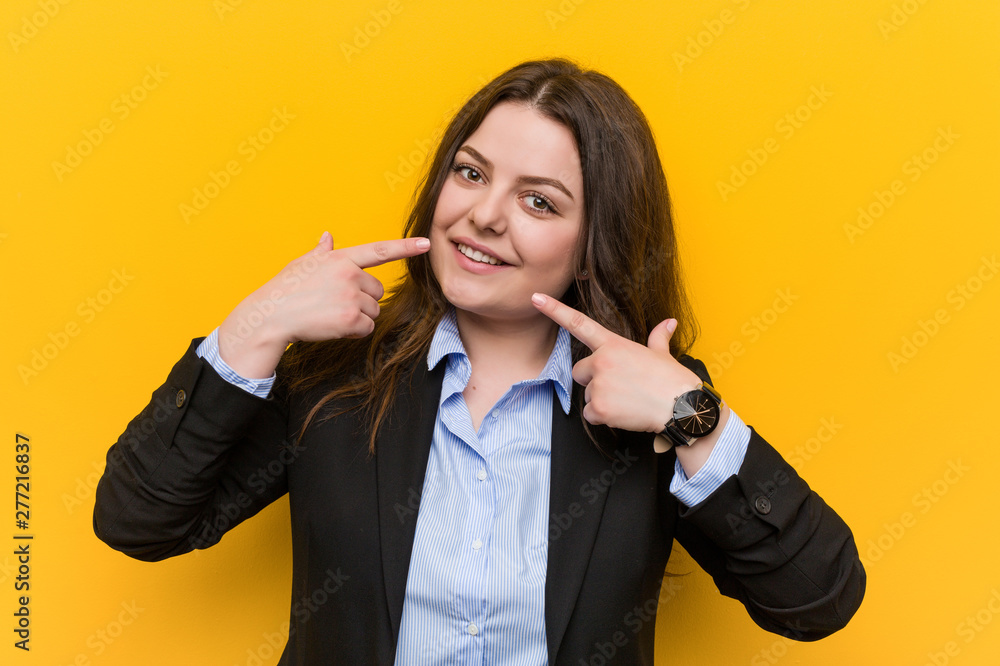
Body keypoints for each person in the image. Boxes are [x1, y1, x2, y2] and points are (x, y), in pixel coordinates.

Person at [93, 58, 865, 664]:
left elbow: (816, 600)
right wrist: (253, 329)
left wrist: (694, 419)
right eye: (471, 172)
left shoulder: (648, 397)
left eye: (540, 202)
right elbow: (137, 520)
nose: (484, 216)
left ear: (594, 240)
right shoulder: (333, 379)